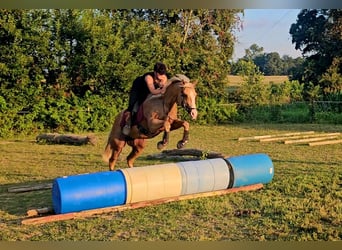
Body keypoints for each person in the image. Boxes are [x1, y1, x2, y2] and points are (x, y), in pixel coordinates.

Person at [122, 62, 168, 135]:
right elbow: (153, 91)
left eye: (163, 75)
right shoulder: (148, 77)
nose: (161, 77)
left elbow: (163, 89)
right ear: (155, 72)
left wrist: (163, 86)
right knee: (134, 106)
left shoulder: (164, 77)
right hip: (138, 89)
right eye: (159, 74)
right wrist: (162, 90)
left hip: (151, 91)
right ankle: (128, 124)